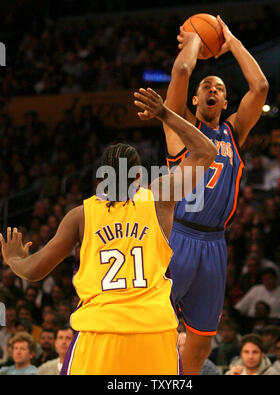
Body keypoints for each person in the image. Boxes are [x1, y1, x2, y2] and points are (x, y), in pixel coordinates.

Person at [0, 87, 217, 375]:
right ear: (140, 176)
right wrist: (164, 113)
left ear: (103, 176)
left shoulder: (81, 216)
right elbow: (206, 153)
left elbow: (33, 271)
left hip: (99, 334)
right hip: (154, 331)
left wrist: (14, 259)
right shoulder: (160, 197)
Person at [162, 15, 269, 374]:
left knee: (203, 335)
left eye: (219, 88)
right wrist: (194, 38)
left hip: (215, 243)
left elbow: (261, 87)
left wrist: (232, 41)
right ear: (195, 99)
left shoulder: (234, 132)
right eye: (206, 85)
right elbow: (180, 74)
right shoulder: (179, 128)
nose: (212, 89)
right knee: (158, 320)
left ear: (224, 102)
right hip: (178, 234)